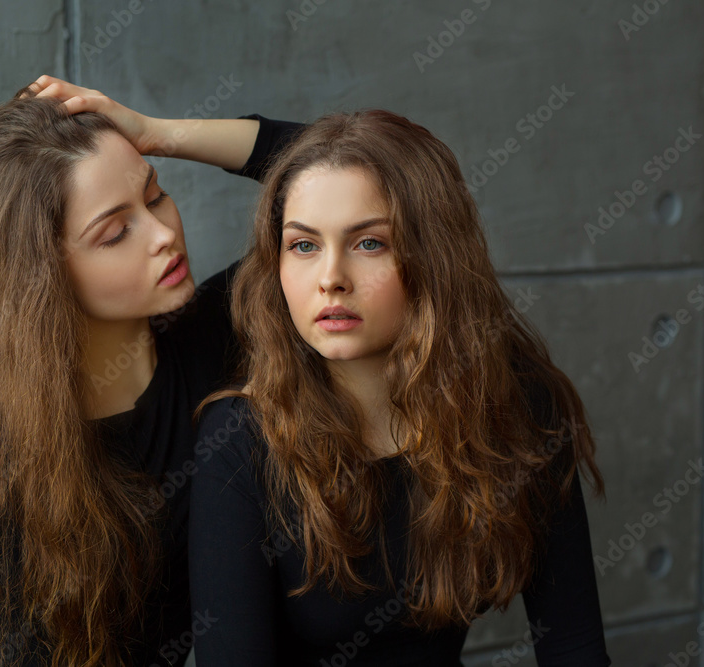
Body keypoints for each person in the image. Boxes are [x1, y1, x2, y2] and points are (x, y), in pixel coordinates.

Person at [0, 76, 305, 667]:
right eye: (114, 233)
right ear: (41, 277)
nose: (163, 235)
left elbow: (360, 172)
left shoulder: (218, 329)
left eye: (155, 197)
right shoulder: (2, 468)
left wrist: (160, 134)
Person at [189, 109, 612, 666]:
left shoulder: (518, 406)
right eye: (303, 245)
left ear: (434, 258)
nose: (331, 277)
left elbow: (574, 648)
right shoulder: (241, 441)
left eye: (370, 244)